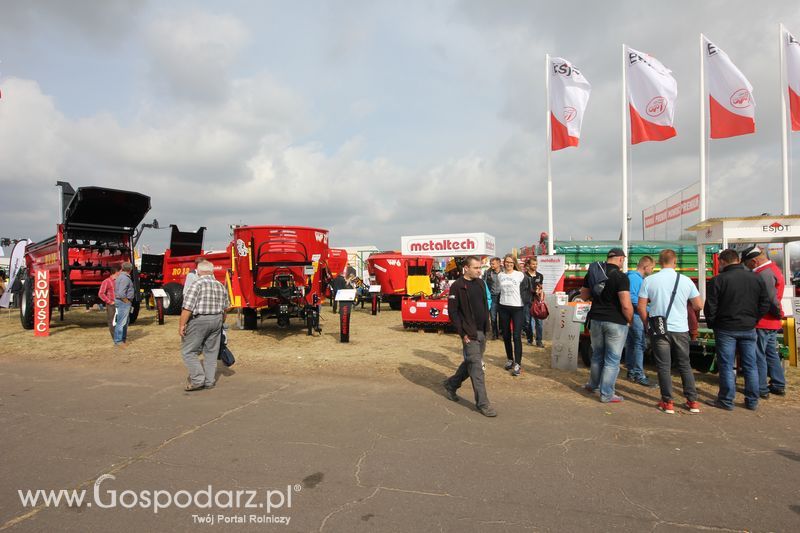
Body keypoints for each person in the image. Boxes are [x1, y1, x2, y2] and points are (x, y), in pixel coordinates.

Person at [704, 249, 774, 411]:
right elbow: (765, 303)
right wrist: (754, 318)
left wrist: (713, 323)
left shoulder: (718, 280)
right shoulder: (756, 278)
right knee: (750, 365)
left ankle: (727, 400)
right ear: (738, 260)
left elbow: (711, 307)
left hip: (725, 327)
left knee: (727, 365)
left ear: (722, 261)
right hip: (748, 327)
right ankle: (752, 401)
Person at [638, 250, 703, 414]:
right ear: (675, 262)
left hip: (659, 328)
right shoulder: (686, 281)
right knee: (684, 365)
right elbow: (698, 305)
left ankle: (668, 402)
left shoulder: (649, 280)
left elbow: (641, 307)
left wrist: (648, 325)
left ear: (659, 262)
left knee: (663, 366)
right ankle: (692, 401)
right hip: (680, 328)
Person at [443, 256, 496, 417]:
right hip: (469, 333)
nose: (480, 271)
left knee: (471, 363)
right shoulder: (457, 286)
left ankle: (451, 384)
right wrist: (462, 333)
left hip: (482, 331)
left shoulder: (480, 283)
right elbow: (453, 312)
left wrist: (488, 326)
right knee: (477, 368)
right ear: (466, 268)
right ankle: (483, 404)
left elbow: (484, 305)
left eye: (480, 268)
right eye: (476, 268)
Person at [580, 248, 633, 403]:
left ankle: (592, 385)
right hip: (615, 322)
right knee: (612, 359)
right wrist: (630, 319)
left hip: (596, 319)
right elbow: (625, 305)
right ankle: (607, 394)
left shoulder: (594, 272)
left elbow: (583, 295)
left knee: (597, 355)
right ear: (621, 259)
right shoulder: (621, 277)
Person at [742, 246, 787, 398]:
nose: (746, 267)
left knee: (758, 355)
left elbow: (770, 300)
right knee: (771, 353)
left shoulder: (764, 274)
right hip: (771, 322)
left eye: (747, 263)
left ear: (754, 261)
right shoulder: (773, 269)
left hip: (763, 321)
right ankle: (778, 384)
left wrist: (777, 313)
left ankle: (761, 387)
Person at [179, 260, 231, 391]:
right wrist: (222, 322)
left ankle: (197, 380)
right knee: (211, 352)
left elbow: (187, 308)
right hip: (217, 319)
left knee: (188, 351)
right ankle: (209, 381)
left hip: (199, 320)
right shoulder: (220, 285)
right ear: (212, 271)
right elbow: (226, 307)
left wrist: (182, 325)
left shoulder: (196, 284)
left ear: (198, 271)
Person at [624, 255, 655, 386]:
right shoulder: (635, 279)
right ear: (645, 267)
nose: (652, 271)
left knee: (632, 343)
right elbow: (632, 298)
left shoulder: (631, 277)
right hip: (636, 315)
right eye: (652, 268)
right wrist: (647, 308)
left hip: (632, 315)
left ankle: (632, 371)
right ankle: (638, 373)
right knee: (639, 344)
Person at [498, 254, 525, 376]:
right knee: (506, 335)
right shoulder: (500, 275)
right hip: (503, 306)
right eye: (507, 262)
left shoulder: (519, 275)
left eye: (511, 262)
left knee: (516, 336)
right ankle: (510, 359)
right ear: (504, 263)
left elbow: (526, 289)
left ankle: (518, 364)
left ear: (514, 263)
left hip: (517, 307)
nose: (509, 264)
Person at [521, 257, 545, 347]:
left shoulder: (540, 276)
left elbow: (541, 288)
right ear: (528, 265)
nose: (535, 266)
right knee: (527, 322)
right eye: (533, 264)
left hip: (537, 301)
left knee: (539, 322)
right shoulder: (524, 276)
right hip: (527, 302)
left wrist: (541, 297)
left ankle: (539, 341)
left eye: (536, 264)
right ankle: (529, 339)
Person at [113, 262, 135, 346]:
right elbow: (121, 293)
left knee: (124, 322)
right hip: (123, 302)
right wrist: (127, 301)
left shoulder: (120, 277)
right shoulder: (125, 278)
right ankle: (119, 341)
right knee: (121, 322)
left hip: (122, 301)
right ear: (130, 269)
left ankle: (122, 340)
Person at [98, 266, 120, 340]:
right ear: (116, 272)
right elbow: (101, 293)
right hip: (112, 305)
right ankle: (116, 339)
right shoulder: (106, 281)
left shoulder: (119, 281)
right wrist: (110, 302)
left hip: (120, 304)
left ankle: (120, 337)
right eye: (120, 271)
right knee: (112, 322)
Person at [482, 257, 502, 339]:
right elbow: (484, 283)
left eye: (493, 263)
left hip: (502, 297)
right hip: (493, 297)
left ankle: (502, 332)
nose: (491, 265)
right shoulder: (488, 272)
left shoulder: (504, 272)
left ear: (499, 263)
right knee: (493, 317)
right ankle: (494, 333)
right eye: (490, 263)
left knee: (502, 317)